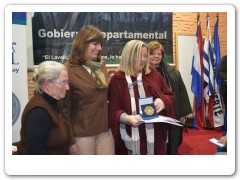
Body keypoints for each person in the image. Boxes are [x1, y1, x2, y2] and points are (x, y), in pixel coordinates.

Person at [108, 40, 175, 155]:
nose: (144, 60)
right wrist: (128, 118)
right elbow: (113, 109)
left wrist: (162, 101)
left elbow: (169, 96)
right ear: (129, 56)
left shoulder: (152, 73)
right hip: (130, 134)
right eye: (140, 56)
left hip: (156, 134)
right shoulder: (117, 79)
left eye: (145, 56)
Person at [59, 25, 115, 155]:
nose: (99, 48)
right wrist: (70, 141)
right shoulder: (67, 70)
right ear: (82, 44)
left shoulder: (100, 66)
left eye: (100, 44)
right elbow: (64, 110)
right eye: (95, 44)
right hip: (82, 134)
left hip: (104, 130)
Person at [14, 61, 79, 155]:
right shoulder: (38, 112)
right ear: (47, 84)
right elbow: (35, 153)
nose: (67, 88)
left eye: (67, 82)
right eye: (64, 82)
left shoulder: (53, 102)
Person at [147, 41, 192, 155]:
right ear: (146, 54)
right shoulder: (140, 72)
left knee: (173, 142)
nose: (156, 56)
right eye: (153, 53)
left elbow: (181, 93)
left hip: (173, 112)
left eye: (159, 54)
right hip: (152, 115)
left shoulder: (173, 72)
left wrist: (182, 114)